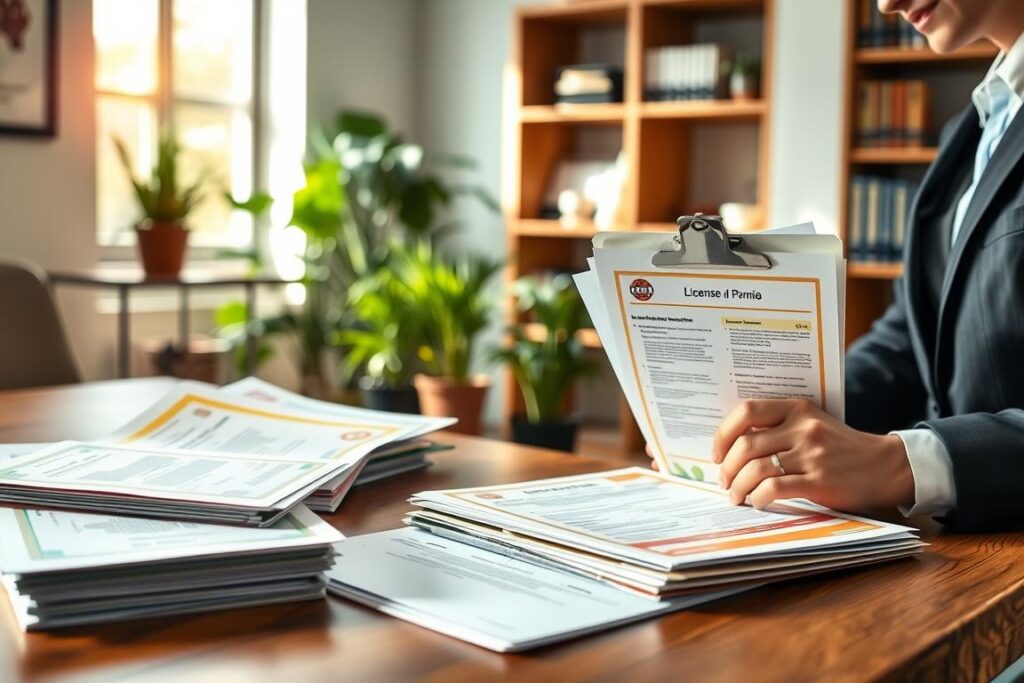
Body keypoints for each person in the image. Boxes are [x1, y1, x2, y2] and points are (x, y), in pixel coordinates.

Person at [648, 0, 1024, 532]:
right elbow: (911, 341)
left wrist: (903, 462)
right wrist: (769, 415)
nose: (885, 4)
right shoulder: (971, 131)